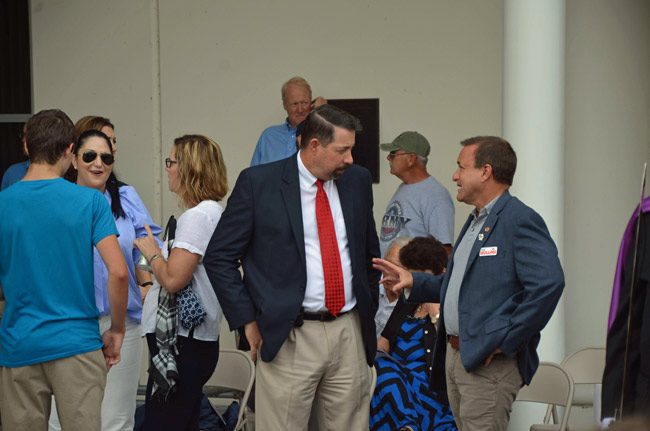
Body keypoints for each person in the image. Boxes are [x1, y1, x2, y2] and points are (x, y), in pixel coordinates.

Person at [205, 104, 381, 430]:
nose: (350, 159)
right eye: (342, 150)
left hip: (349, 332)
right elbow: (219, 257)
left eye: (352, 150)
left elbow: (369, 254)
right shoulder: (260, 184)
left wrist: (365, 313)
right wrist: (247, 319)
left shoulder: (356, 181)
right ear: (314, 145)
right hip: (289, 335)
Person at [374, 136, 565, 430]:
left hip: (488, 364)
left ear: (485, 171)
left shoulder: (518, 219)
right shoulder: (476, 220)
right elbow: (457, 286)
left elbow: (549, 285)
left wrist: (508, 340)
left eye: (461, 167)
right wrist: (413, 279)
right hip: (455, 357)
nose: (454, 176)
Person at [0, 109, 128, 430]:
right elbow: (119, 272)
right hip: (76, 343)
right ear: (70, 149)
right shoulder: (91, 202)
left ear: (26, 145)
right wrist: (117, 329)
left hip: (19, 343)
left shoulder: (4, 203)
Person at [62, 128, 162, 431]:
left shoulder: (125, 197)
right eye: (89, 156)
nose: (98, 163)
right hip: (73, 321)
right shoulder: (61, 200)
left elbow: (149, 241)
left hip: (124, 322)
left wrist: (145, 282)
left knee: (117, 419)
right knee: (65, 417)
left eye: (105, 157)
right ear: (74, 160)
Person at [134, 134, 228, 431]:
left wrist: (151, 254)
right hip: (192, 343)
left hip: (182, 344)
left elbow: (174, 279)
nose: (167, 168)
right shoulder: (213, 212)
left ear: (189, 168)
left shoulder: (196, 217)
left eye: (171, 162)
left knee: (163, 423)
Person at [371, 236, 456, 431]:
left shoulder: (451, 306)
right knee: (383, 368)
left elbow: (452, 349)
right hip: (395, 383)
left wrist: (434, 308)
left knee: (390, 380)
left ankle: (408, 425)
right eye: (411, 274)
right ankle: (407, 425)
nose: (412, 282)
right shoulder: (407, 301)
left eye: (420, 277)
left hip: (432, 388)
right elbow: (382, 345)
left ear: (440, 274)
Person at [379, 131, 455, 257]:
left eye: (393, 154)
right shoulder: (404, 187)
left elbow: (444, 251)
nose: (388, 158)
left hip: (413, 276)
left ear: (411, 159)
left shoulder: (436, 196)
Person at [250, 76, 327, 166]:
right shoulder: (268, 136)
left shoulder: (320, 134)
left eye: (304, 103)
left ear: (311, 103)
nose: (300, 109)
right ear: (285, 105)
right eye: (294, 104)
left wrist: (321, 112)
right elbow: (253, 175)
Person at [374, 236, 411, 338]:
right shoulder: (370, 286)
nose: (388, 272)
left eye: (396, 268)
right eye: (387, 264)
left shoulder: (414, 303)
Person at [1, 125, 29, 190]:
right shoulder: (13, 172)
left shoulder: (56, 171)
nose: (23, 140)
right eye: (23, 135)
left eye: (26, 135)